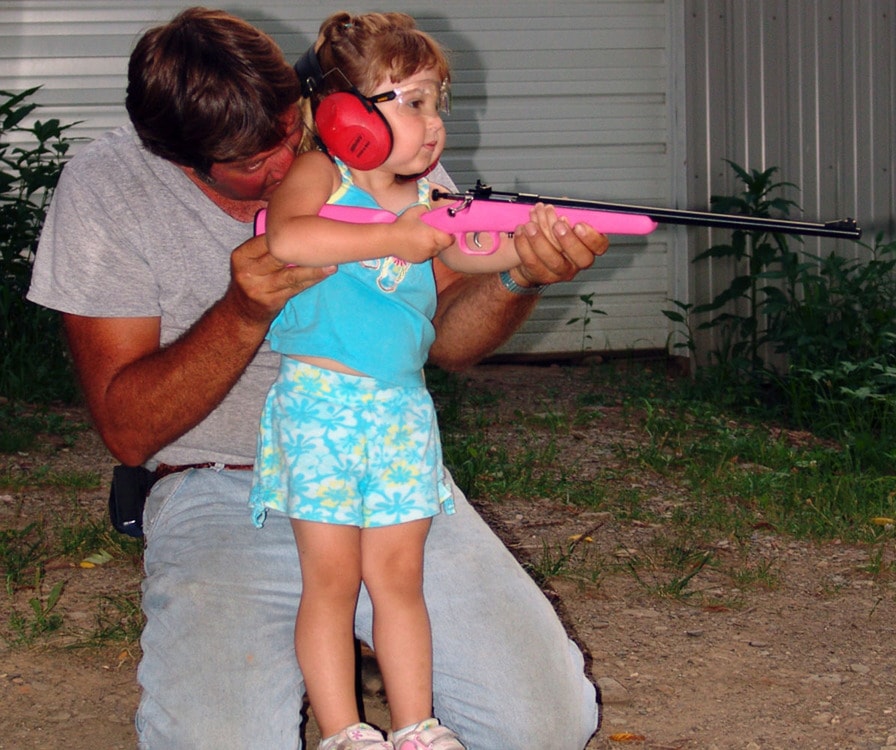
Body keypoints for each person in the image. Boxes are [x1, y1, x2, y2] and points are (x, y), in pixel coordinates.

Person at [26, 7, 609, 750]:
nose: (285, 169)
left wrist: (521, 273)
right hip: (222, 487)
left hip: (386, 457)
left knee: (546, 726)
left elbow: (451, 342)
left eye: (291, 131)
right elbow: (128, 429)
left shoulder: (376, 138)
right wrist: (243, 311)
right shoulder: (109, 186)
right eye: (250, 164)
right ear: (180, 159)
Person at [250, 12, 538, 750]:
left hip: (402, 412)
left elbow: (473, 250)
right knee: (332, 581)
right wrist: (397, 234)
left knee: (399, 579)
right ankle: (346, 731)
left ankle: (414, 726)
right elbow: (288, 237)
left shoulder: (423, 195)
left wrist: (529, 242)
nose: (433, 121)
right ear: (344, 114)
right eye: (410, 100)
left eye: (437, 100)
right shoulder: (323, 174)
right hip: (321, 409)